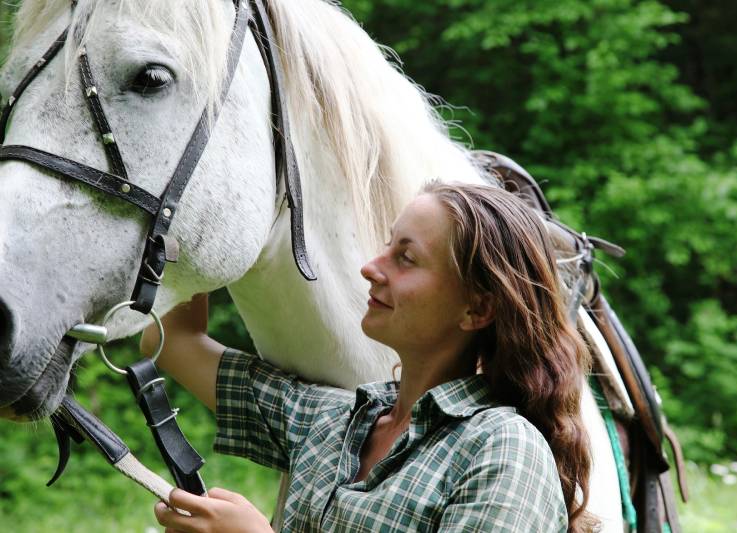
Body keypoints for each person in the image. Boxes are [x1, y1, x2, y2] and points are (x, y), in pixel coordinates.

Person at [143, 181, 595, 533]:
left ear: (476, 308)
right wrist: (187, 213)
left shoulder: (504, 451)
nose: (371, 267)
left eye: (406, 258)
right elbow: (172, 341)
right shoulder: (330, 421)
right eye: (387, 244)